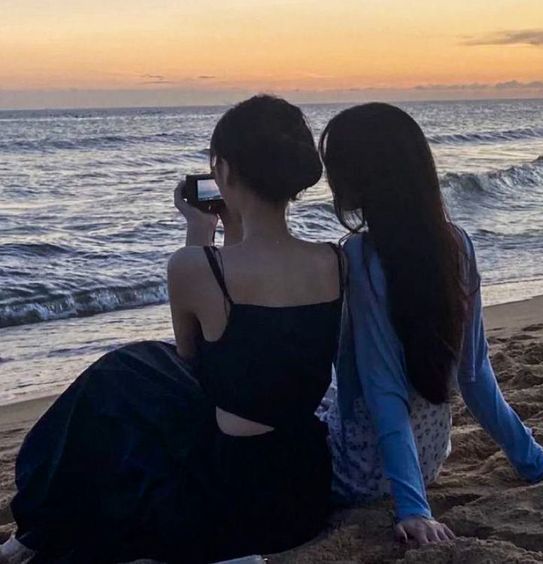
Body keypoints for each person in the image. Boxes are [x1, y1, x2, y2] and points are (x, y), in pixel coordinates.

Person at [2, 95, 343, 563]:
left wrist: (200, 230)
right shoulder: (335, 260)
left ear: (222, 170)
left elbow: (197, 362)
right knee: (134, 363)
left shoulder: (193, 266)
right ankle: (36, 532)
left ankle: (36, 529)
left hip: (230, 494)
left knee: (117, 375)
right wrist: (229, 228)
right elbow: (258, 338)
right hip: (302, 487)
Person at [317, 103, 543, 546]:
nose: (330, 179)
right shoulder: (456, 245)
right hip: (431, 455)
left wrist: (413, 509)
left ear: (361, 176)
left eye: (334, 166)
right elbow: (475, 373)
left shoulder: (358, 259)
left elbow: (382, 391)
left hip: (362, 472)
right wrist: (534, 461)